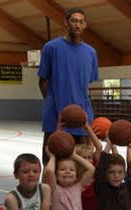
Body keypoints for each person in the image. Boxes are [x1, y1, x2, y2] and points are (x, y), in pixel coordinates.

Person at [38, 8, 99, 164]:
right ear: (66, 23)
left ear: (85, 25)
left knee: (81, 167)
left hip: (81, 118)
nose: (77, 25)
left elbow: (85, 85)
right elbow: (43, 81)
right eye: (74, 21)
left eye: (81, 21)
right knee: (50, 163)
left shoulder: (91, 53)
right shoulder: (51, 48)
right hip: (55, 117)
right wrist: (52, 103)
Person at [75, 122, 102, 210]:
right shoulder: (74, 173)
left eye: (89, 157)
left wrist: (87, 127)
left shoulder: (94, 166)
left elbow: (99, 147)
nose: (88, 160)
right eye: (84, 158)